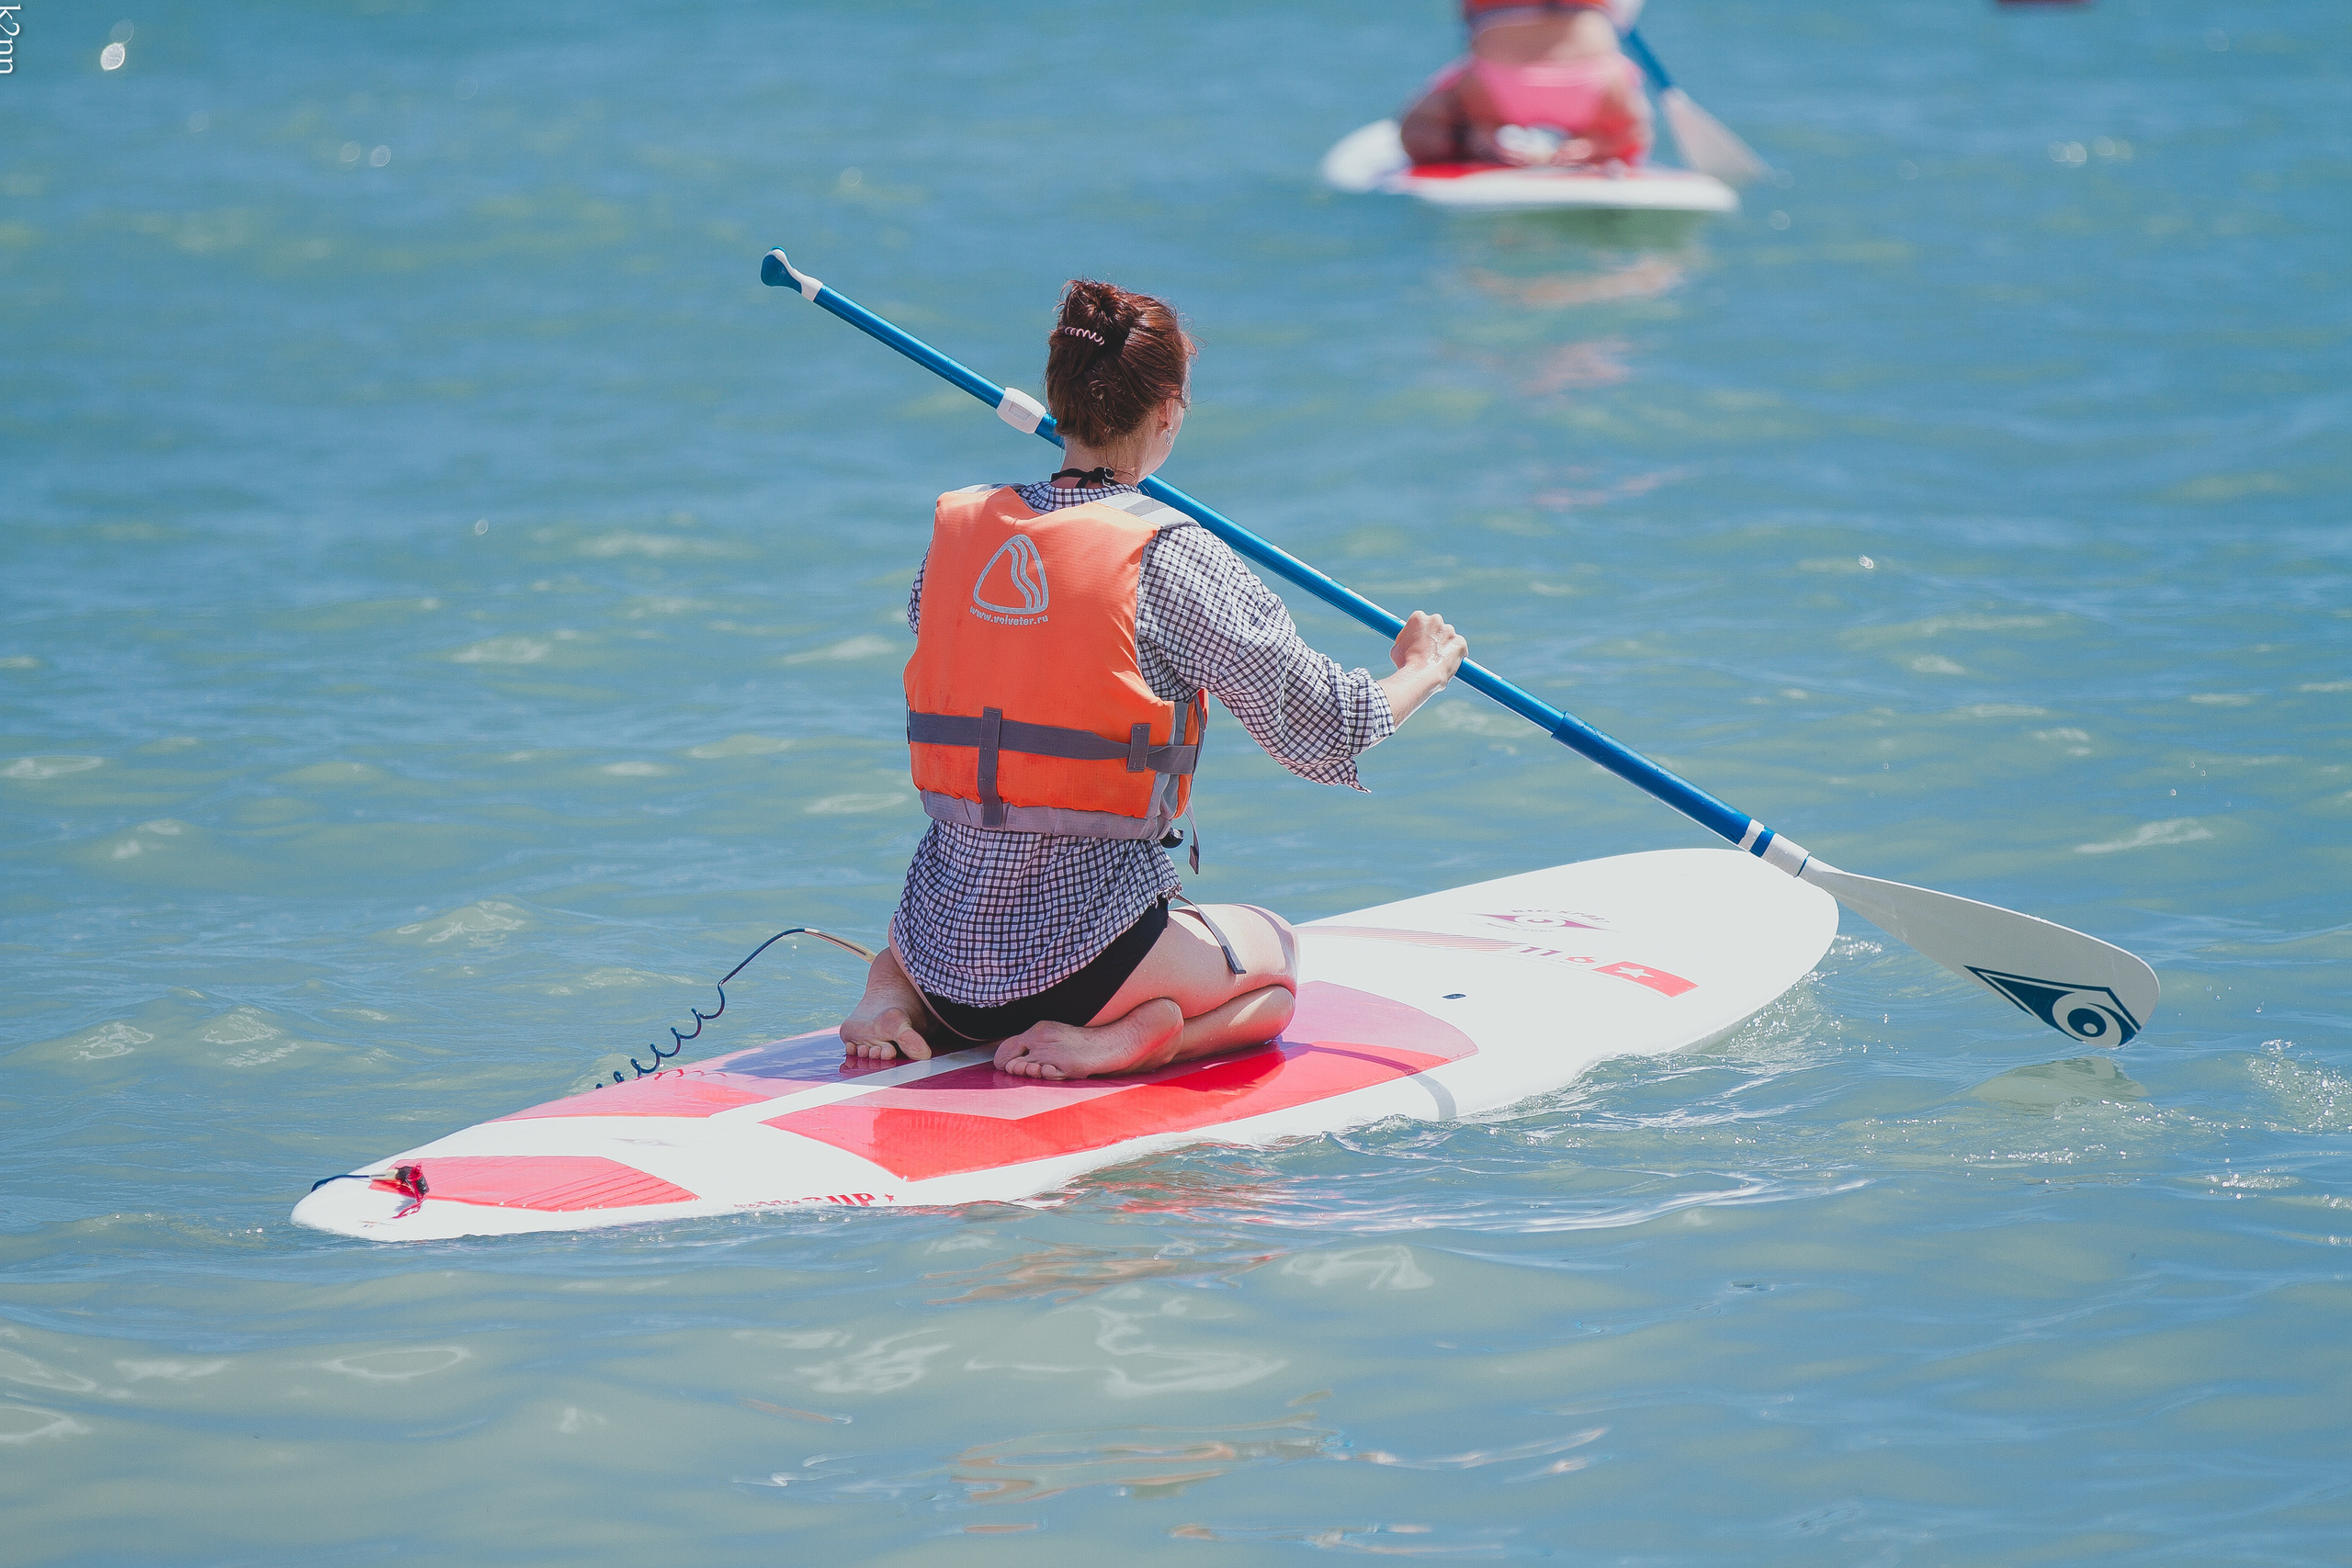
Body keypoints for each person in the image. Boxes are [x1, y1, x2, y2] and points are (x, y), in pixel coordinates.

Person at [838, 280, 1468, 1082]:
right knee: (1276, 964)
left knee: (914, 943)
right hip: (1089, 969)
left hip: (940, 960)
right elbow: (1326, 729)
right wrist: (1423, 669)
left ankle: (885, 995)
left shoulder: (964, 533)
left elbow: (952, 629)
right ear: (1167, 413)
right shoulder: (1172, 554)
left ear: (1057, 400)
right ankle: (1137, 1038)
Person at [1399, 0, 1653, 170]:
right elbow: (1620, 18)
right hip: (1594, 82)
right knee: (1632, 133)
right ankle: (1595, 144)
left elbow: (1468, 24)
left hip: (1494, 83)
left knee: (1419, 129)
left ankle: (1477, 136)